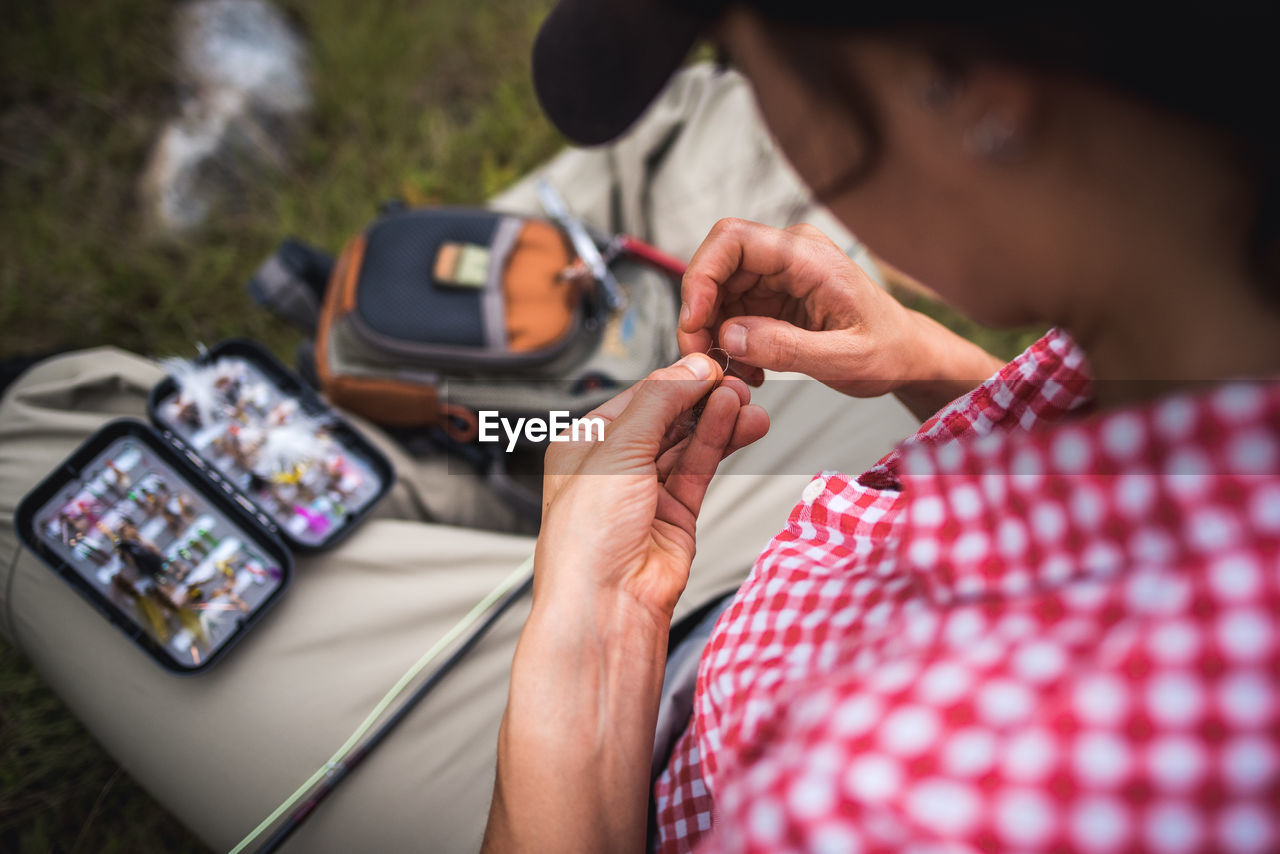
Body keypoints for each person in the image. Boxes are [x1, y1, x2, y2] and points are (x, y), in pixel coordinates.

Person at [0, 65, 918, 852]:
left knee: (31, 446)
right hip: (852, 514)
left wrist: (587, 622)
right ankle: (395, 365)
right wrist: (920, 358)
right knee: (697, 124)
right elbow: (1048, 417)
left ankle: (375, 396)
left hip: (589, 758)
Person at [480, 2, 1280, 854]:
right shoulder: (1201, 312)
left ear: (957, 82)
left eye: (748, 67)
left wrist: (590, 622)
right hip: (763, 624)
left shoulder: (885, 806)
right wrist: (928, 362)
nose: (771, 120)